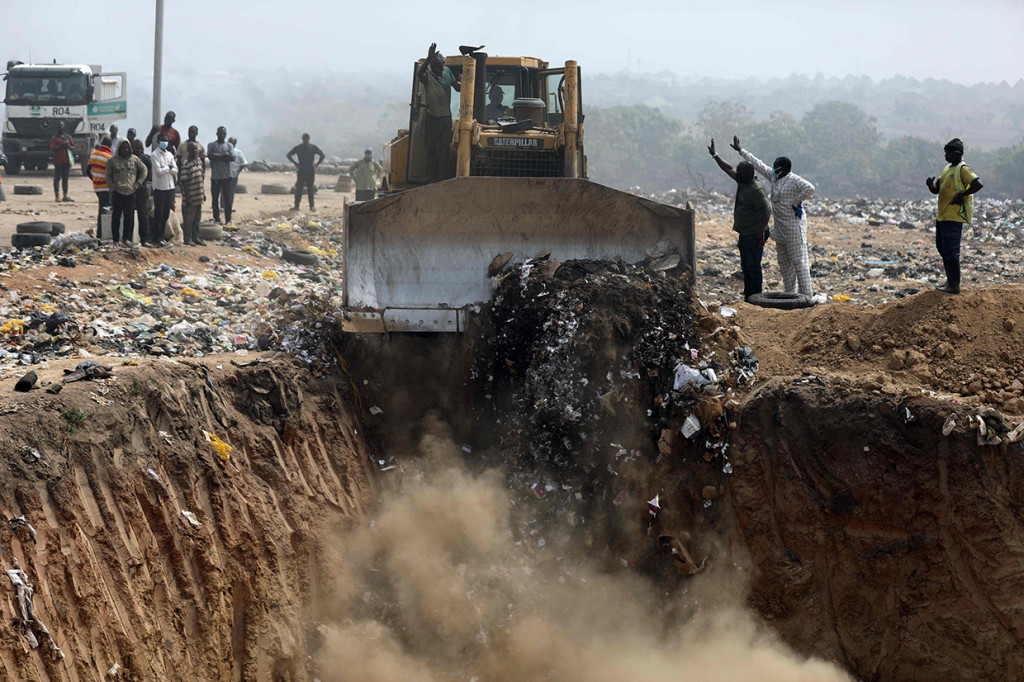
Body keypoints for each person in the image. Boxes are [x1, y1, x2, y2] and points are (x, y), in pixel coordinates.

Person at [731, 136, 816, 296]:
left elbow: (810, 188)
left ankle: (806, 296)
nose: (773, 170)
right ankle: (791, 294)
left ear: (783, 169)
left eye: (776, 168)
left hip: (793, 228)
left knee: (800, 263)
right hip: (780, 228)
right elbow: (759, 165)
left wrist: (796, 202)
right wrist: (741, 151)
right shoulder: (774, 178)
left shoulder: (794, 180)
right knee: (785, 265)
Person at [708, 139, 772, 300]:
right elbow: (728, 169)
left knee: (753, 266)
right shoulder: (743, 180)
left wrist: (760, 231)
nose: (737, 174)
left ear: (748, 174)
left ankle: (756, 297)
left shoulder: (755, 189)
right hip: (745, 232)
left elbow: (767, 209)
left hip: (754, 233)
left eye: (740, 173)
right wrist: (715, 155)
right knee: (745, 265)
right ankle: (749, 295)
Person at [926, 138, 983, 295]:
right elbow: (937, 189)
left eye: (948, 153)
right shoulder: (946, 169)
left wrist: (962, 195)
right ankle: (949, 282)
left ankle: (954, 285)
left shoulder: (962, 169)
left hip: (953, 216)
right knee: (942, 248)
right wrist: (930, 185)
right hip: (942, 216)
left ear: (957, 153)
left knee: (951, 251)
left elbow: (978, 184)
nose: (945, 156)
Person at [418, 43, 461, 182]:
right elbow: (419, 74)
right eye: (435, 67)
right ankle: (431, 180)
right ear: (431, 67)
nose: (438, 69)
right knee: (431, 151)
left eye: (440, 66)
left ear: (444, 64)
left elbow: (457, 87)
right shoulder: (427, 75)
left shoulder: (448, 72)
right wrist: (428, 58)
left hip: (446, 118)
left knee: (445, 151)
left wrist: (465, 80)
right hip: (433, 118)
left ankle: (443, 180)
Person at [104, 140, 148, 245]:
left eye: (128, 148)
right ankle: (116, 239)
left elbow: (144, 169)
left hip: (131, 192)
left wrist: (139, 182)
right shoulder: (112, 160)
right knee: (116, 216)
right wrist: (112, 187)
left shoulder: (134, 159)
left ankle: (126, 238)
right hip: (118, 192)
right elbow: (108, 175)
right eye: (123, 148)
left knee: (129, 216)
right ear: (119, 149)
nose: (126, 150)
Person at [151, 133, 178, 244]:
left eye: (166, 140)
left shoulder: (170, 155)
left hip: (169, 187)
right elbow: (158, 171)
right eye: (162, 140)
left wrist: (166, 168)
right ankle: (156, 238)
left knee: (166, 213)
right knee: (159, 213)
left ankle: (162, 236)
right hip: (159, 188)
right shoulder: (154, 154)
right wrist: (169, 168)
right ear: (158, 141)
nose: (164, 142)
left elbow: (176, 170)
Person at [286, 133, 324, 211]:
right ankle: (296, 206)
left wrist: (317, 164)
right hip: (302, 170)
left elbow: (322, 155)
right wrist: (295, 163)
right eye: (304, 138)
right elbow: (289, 155)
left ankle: (311, 206)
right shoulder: (298, 148)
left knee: (310, 188)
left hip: (310, 170)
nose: (305, 140)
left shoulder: (313, 147)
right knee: (299, 189)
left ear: (308, 139)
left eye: (306, 138)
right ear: (302, 139)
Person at [179, 142, 206, 246]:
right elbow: (184, 182)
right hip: (190, 196)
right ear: (188, 151)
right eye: (192, 149)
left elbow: (201, 177)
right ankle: (187, 239)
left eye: (196, 149)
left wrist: (203, 193)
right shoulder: (186, 164)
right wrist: (188, 197)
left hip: (199, 195)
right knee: (188, 219)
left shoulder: (198, 160)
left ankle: (196, 237)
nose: (195, 151)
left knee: (197, 219)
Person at [207, 126, 235, 223]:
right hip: (215, 177)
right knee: (215, 199)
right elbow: (210, 156)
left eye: (223, 133)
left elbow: (232, 158)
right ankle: (216, 218)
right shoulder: (211, 145)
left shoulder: (229, 145)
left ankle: (228, 219)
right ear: (217, 134)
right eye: (220, 133)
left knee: (228, 199)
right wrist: (224, 155)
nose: (222, 135)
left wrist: (217, 156)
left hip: (227, 176)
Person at [88, 137, 114, 234]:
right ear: (110, 145)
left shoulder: (93, 154)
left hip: (96, 187)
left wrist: (95, 179)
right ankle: (103, 233)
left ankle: (100, 232)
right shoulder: (109, 157)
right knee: (105, 210)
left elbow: (87, 171)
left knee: (101, 209)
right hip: (105, 187)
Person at [131, 139, 154, 246]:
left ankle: (144, 239)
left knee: (143, 215)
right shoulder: (128, 159)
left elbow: (150, 171)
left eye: (141, 148)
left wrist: (143, 181)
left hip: (142, 190)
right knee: (130, 214)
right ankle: (129, 238)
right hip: (130, 190)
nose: (139, 150)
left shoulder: (145, 159)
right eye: (137, 148)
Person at [49, 121, 75, 202]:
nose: (61, 127)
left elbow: (73, 147)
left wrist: (68, 146)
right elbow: (53, 149)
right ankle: (57, 196)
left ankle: (65, 195)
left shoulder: (68, 137)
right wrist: (62, 145)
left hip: (66, 161)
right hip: (58, 161)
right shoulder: (54, 138)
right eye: (59, 126)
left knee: (65, 179)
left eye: (62, 126)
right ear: (57, 128)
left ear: (64, 127)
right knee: (57, 179)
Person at [227, 136, 247, 202]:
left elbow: (244, 163)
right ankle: (223, 205)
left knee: (231, 191)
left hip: (234, 175)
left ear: (235, 143)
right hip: (225, 175)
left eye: (232, 142)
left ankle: (229, 205)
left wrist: (238, 171)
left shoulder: (238, 152)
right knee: (224, 191)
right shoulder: (225, 151)